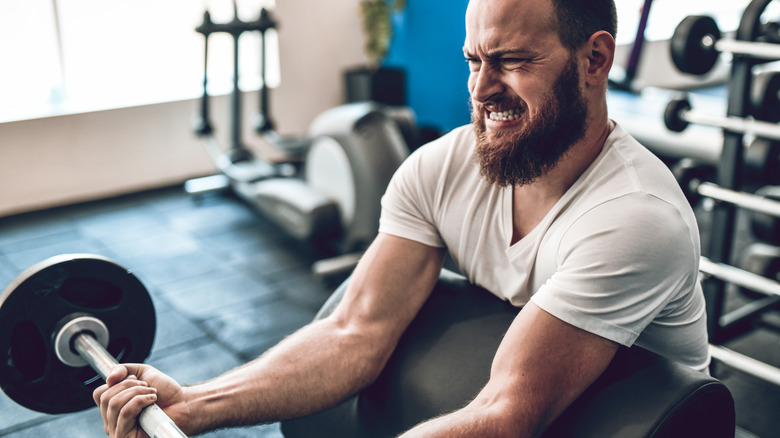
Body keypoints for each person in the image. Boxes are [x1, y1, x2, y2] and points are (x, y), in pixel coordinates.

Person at [94, 0, 710, 436]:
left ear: (594, 60)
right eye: (475, 61)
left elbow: (507, 412)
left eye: (513, 61)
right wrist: (193, 406)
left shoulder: (634, 217)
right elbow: (353, 332)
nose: (481, 88)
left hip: (643, 420)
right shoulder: (442, 169)